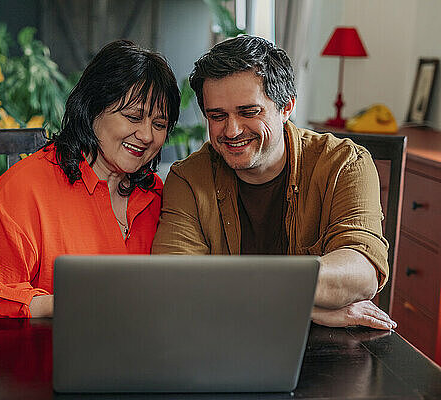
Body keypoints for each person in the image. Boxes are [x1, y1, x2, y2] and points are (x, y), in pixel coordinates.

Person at [151, 35, 397, 330]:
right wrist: (310, 309)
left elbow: (361, 273)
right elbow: (174, 286)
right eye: (217, 116)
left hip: (324, 348)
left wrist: (229, 286)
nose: (232, 130)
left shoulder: (344, 164)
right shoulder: (188, 179)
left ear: (286, 107)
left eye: (248, 112)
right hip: (223, 338)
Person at [0, 40, 180, 318]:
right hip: (38, 354)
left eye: (159, 125)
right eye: (133, 117)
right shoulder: (23, 191)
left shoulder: (156, 193)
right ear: (93, 106)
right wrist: (78, 303)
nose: (147, 136)